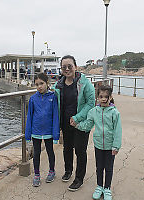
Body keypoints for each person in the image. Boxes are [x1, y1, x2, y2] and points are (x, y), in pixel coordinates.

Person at [52, 55, 95, 191]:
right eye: (64, 67)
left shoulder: (84, 83)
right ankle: (68, 171)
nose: (67, 69)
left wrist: (77, 117)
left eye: (69, 66)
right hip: (65, 123)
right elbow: (52, 100)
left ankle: (79, 179)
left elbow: (91, 102)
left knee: (80, 151)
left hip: (80, 123)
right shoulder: (58, 84)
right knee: (67, 148)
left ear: (75, 67)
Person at [72, 85, 122, 200]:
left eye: (106, 96)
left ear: (110, 97)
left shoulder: (115, 113)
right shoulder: (93, 111)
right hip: (98, 145)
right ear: (97, 98)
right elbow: (88, 124)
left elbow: (118, 130)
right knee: (99, 167)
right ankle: (99, 186)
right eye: (101, 96)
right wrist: (78, 125)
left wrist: (116, 146)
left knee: (108, 168)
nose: (103, 99)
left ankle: (107, 188)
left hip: (110, 146)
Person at [25, 73, 60, 187]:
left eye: (42, 83)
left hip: (49, 131)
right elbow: (29, 116)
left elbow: (55, 116)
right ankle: (36, 174)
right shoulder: (33, 99)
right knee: (36, 153)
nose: (39, 86)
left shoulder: (53, 97)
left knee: (50, 152)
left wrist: (56, 135)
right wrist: (28, 134)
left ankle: (52, 171)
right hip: (36, 131)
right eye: (37, 84)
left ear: (47, 83)